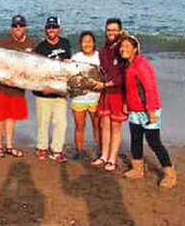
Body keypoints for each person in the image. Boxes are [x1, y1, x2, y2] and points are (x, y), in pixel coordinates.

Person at [119, 35, 175, 188]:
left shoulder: (142, 65)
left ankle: (170, 174)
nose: (123, 49)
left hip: (149, 109)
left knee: (154, 142)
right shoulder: (127, 65)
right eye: (122, 46)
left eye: (127, 46)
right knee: (136, 140)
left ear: (135, 49)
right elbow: (128, 88)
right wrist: (126, 103)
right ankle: (137, 169)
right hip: (135, 110)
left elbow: (150, 89)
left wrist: (151, 111)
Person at [0, 15, 36, 158]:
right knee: (0, 117)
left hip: (18, 87)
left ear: (25, 27)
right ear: (12, 28)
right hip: (1, 86)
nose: (18, 29)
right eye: (15, 26)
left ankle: (9, 146)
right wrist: (3, 80)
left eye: (21, 26)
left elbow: (34, 67)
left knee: (11, 117)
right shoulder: (3, 43)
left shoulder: (31, 43)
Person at [33, 16, 71, 163]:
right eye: (49, 27)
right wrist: (44, 87)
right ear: (45, 30)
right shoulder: (40, 47)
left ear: (59, 29)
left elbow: (67, 68)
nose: (51, 30)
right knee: (43, 122)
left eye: (54, 27)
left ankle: (57, 150)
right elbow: (36, 71)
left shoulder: (65, 43)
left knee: (61, 123)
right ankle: (41, 147)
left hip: (60, 91)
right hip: (43, 91)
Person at [91, 18, 127, 171]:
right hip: (105, 92)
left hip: (118, 92)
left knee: (115, 126)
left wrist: (106, 84)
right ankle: (103, 156)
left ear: (120, 31)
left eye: (114, 29)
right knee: (104, 124)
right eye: (109, 29)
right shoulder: (103, 49)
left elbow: (123, 75)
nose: (111, 32)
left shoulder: (123, 48)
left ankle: (112, 159)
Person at [70, 31, 101, 160]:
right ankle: (79, 150)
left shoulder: (100, 57)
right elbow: (71, 78)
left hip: (96, 98)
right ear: (80, 44)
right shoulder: (76, 57)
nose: (87, 44)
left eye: (89, 41)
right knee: (79, 126)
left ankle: (102, 150)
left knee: (98, 126)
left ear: (94, 43)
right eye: (84, 41)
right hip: (79, 98)